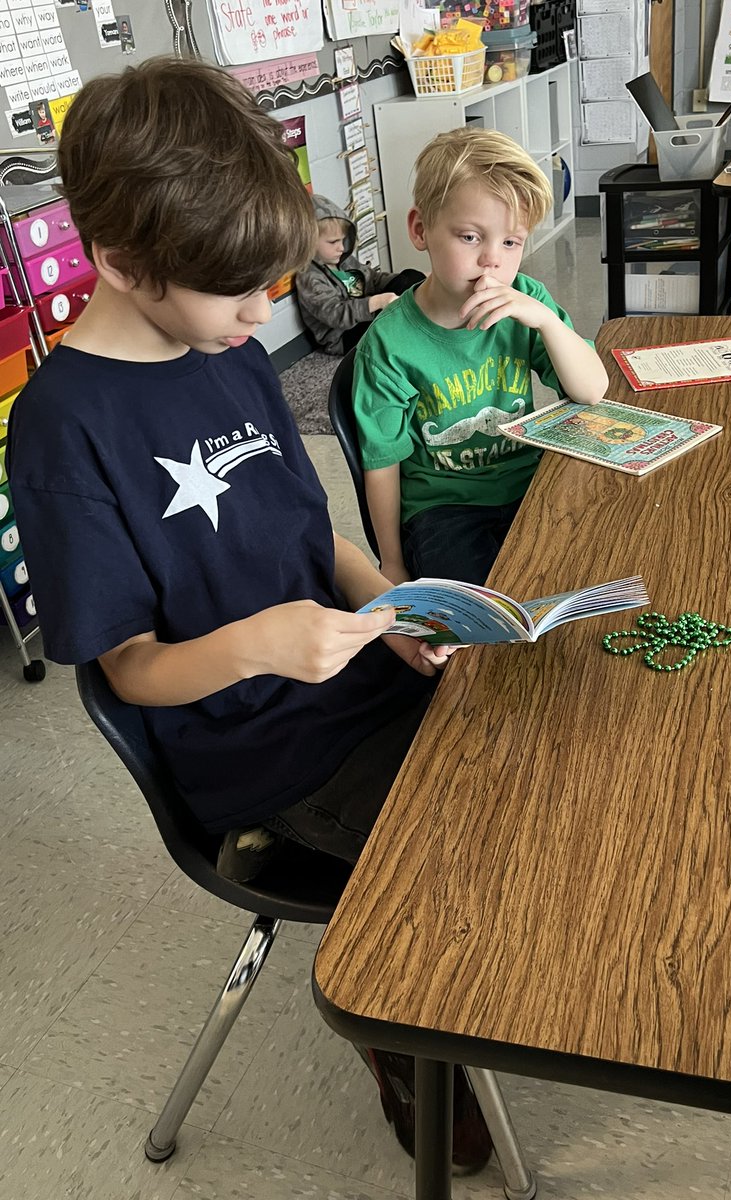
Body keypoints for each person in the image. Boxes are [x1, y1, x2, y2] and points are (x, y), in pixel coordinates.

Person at [7, 57, 490, 1172]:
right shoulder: (65, 429)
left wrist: (400, 604)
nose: (265, 313)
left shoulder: (219, 344)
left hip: (360, 672)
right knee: (467, 847)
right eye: (241, 295)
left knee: (532, 751)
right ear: (123, 266)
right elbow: (128, 668)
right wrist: (263, 642)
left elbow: (311, 535)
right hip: (259, 747)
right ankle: (404, 1034)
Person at [352, 126, 610, 588]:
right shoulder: (388, 346)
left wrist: (547, 321)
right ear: (420, 230)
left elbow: (591, 390)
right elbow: (382, 464)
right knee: (477, 616)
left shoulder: (525, 301)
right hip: (444, 510)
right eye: (471, 237)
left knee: (592, 573)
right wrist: (391, 562)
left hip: (531, 485)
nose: (492, 259)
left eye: (511, 242)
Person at [295, 194, 423, 356]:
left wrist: (399, 283)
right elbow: (336, 315)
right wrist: (376, 302)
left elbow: (372, 279)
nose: (341, 247)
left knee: (411, 277)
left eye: (342, 240)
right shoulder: (309, 278)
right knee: (386, 322)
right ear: (310, 242)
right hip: (345, 335)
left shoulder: (344, 260)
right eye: (333, 242)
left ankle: (420, 320)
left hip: (366, 310)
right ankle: (414, 330)